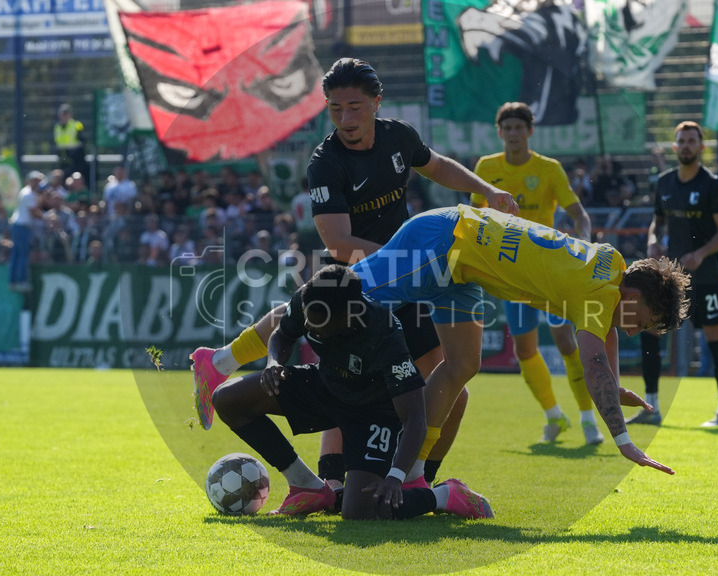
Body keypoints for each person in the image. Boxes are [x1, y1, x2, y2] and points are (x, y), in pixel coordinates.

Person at [189, 58, 518, 490]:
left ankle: (414, 480)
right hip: (359, 286)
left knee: (447, 386)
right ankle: (344, 483)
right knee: (351, 378)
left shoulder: (399, 137)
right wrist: (409, 262)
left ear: (377, 103)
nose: (345, 118)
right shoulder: (326, 163)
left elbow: (435, 165)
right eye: (335, 108)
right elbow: (338, 241)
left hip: (404, 279)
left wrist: (487, 190)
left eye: (355, 107)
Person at [341, 204, 687, 483]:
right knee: (339, 302)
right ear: (634, 294)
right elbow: (593, 363)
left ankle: (414, 473)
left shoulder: (612, 267)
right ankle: (284, 327)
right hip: (446, 239)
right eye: (640, 322)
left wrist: (615, 383)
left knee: (463, 364)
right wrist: (624, 441)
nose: (632, 332)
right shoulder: (597, 295)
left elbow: (607, 332)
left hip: (464, 267)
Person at [211, 265, 495, 519]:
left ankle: (445, 495)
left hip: (372, 413)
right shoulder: (309, 297)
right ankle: (306, 486)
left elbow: (415, 416)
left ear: (350, 314)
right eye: (308, 320)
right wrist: (274, 363)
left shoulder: (383, 333)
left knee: (359, 510)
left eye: (318, 323)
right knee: (227, 399)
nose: (309, 327)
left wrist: (396, 477)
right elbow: (283, 334)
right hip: (324, 387)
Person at [471, 101, 602, 445]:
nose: (513, 134)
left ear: (530, 131)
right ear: (500, 133)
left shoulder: (549, 169)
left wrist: (584, 240)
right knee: (525, 351)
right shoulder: (486, 166)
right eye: (507, 128)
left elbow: (580, 215)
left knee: (564, 341)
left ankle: (589, 419)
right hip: (510, 273)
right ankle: (554, 417)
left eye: (519, 127)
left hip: (547, 269)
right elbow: (472, 218)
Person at [630, 121, 718, 428]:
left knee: (714, 335)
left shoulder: (712, 185)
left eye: (692, 140)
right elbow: (657, 222)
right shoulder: (664, 183)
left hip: (706, 276)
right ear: (675, 147)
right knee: (648, 329)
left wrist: (701, 253)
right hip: (669, 277)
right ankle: (652, 409)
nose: (687, 145)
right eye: (682, 141)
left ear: (701, 147)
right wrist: (652, 239)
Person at [7, 171, 45, 291]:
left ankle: (13, 281)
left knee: (17, 255)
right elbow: (34, 213)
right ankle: (21, 280)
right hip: (22, 227)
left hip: (17, 225)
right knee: (22, 254)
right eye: (34, 180)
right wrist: (46, 217)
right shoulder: (29, 194)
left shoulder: (26, 192)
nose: (36, 183)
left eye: (38, 181)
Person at [54, 104, 86, 176]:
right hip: (63, 156)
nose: (64, 116)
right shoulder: (57, 127)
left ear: (70, 114)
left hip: (75, 156)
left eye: (66, 114)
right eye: (63, 114)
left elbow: (82, 140)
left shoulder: (77, 125)